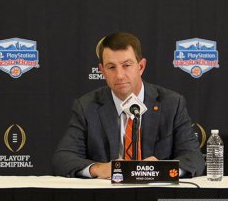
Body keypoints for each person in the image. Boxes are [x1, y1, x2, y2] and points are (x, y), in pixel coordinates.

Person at [52, 32, 205, 179]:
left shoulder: (171, 103)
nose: (119, 75)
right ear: (102, 71)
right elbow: (63, 158)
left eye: (126, 65)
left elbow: (194, 158)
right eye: (111, 67)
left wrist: (161, 169)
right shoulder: (86, 106)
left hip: (155, 194)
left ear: (141, 67)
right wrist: (98, 168)